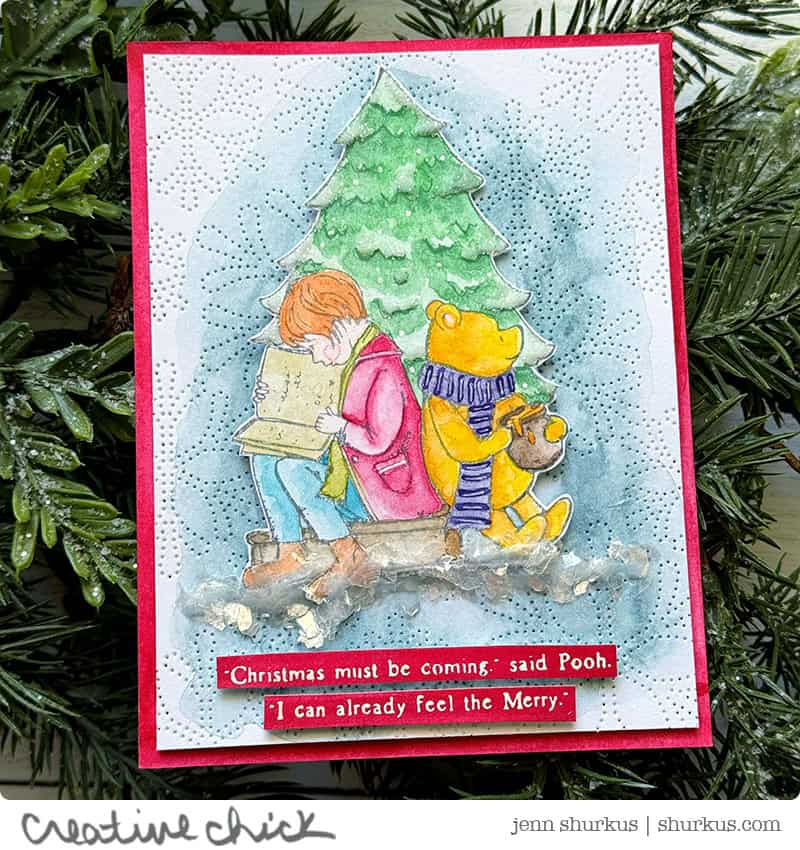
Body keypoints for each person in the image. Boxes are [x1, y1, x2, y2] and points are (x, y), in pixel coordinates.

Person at [243, 269, 442, 600]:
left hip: (385, 489)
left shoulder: (381, 365)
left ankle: (349, 554)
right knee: (265, 456)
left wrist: (342, 428)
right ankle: (290, 551)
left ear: (335, 324)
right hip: (350, 474)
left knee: (293, 469)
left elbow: (379, 440)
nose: (316, 357)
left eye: (313, 346)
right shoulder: (346, 360)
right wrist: (273, 397)